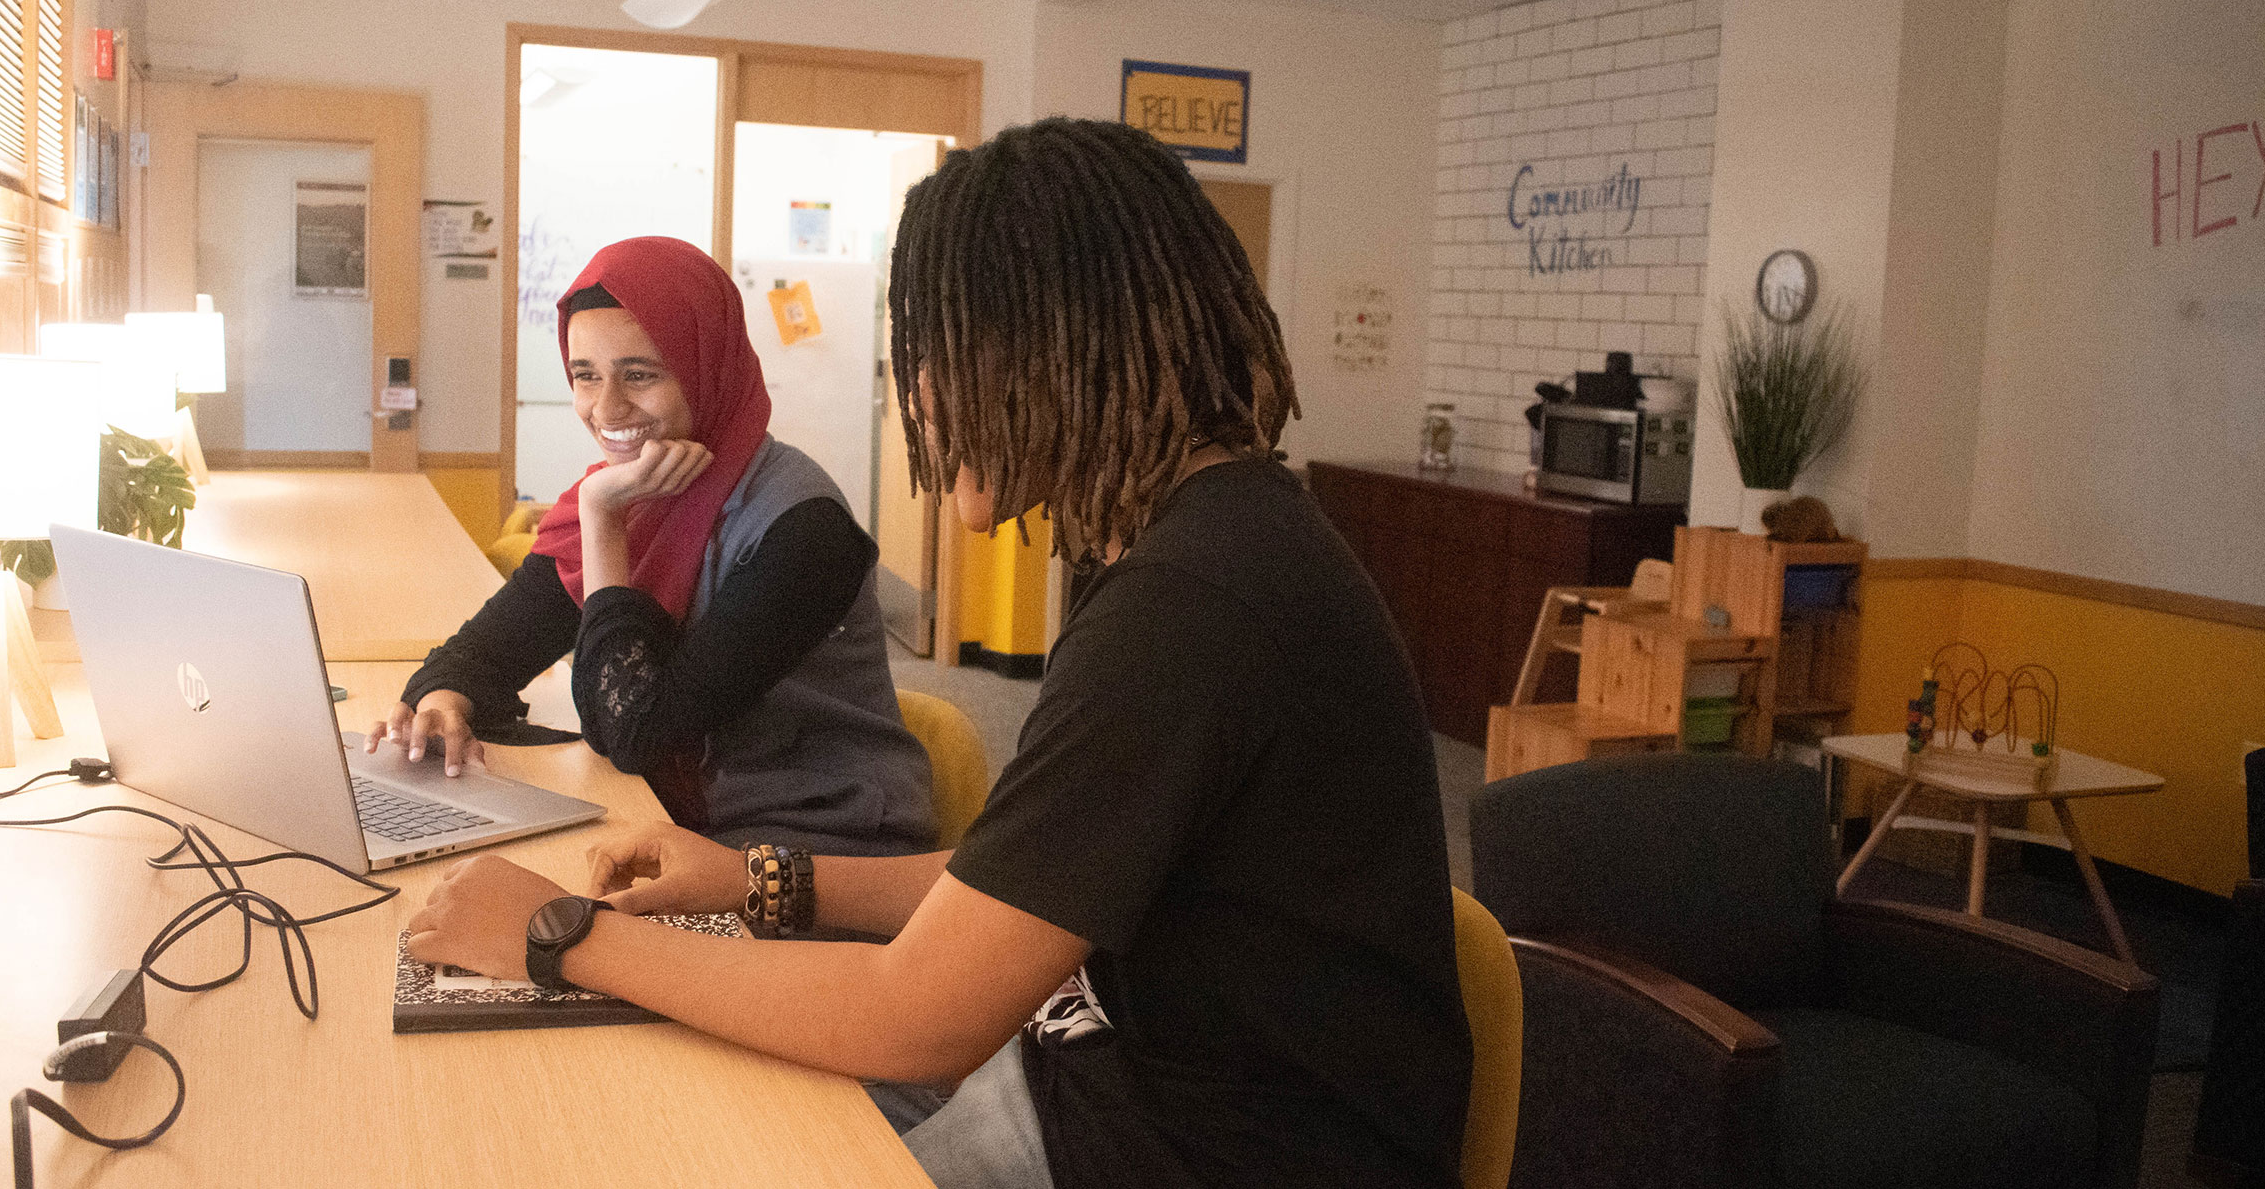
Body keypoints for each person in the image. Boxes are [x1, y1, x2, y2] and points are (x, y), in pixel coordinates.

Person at [405, 120, 1471, 1188]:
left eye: (931, 351)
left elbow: (915, 1018)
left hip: (1196, 1147)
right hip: (1099, 1067)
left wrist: (557, 935)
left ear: (1055, 349)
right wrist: (756, 878)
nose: (915, 393)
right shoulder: (1182, 537)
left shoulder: (1191, 603)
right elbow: (1016, 888)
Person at [372, 235, 934, 857]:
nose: (606, 407)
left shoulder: (804, 531)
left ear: (705, 367)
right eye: (585, 376)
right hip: (684, 827)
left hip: (818, 849)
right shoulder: (629, 495)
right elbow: (479, 653)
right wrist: (444, 700)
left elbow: (637, 731)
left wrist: (603, 523)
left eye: (639, 374)